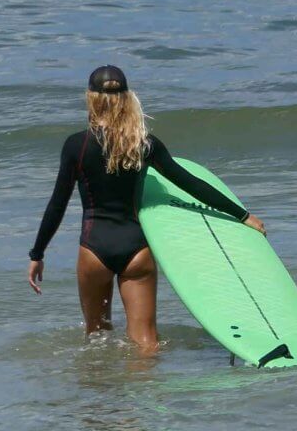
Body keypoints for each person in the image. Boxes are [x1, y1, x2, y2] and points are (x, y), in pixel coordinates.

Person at [27, 65, 266, 353]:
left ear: (91, 98)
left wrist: (38, 254)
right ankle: (144, 395)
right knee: (146, 341)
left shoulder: (76, 145)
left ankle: (97, 396)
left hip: (93, 249)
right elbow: (188, 182)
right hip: (136, 250)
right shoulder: (143, 144)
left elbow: (58, 203)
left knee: (96, 337)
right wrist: (242, 215)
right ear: (127, 97)